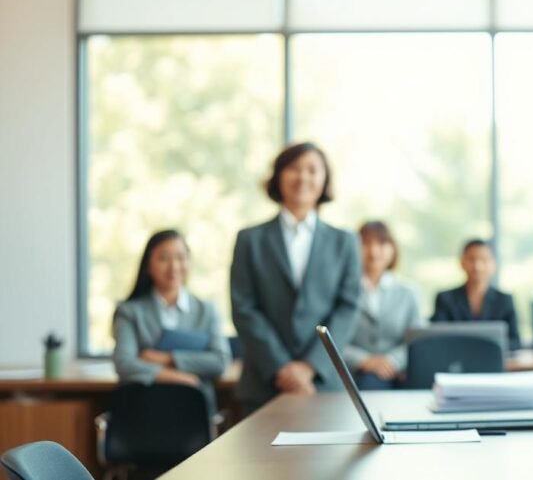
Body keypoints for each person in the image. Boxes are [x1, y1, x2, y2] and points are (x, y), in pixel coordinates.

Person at [230, 142, 362, 411]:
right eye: (294, 168)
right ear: (278, 177)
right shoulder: (250, 240)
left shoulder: (344, 242)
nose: (303, 177)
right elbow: (244, 308)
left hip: (324, 383)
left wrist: (309, 366)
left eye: (312, 170)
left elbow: (348, 308)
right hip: (264, 383)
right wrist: (282, 368)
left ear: (324, 180)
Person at [112, 229, 231, 411]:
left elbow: (220, 361)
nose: (174, 266)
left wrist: (167, 358)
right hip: (143, 410)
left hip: (194, 413)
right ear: (148, 265)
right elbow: (124, 364)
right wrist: (180, 377)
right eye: (164, 258)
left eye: (181, 258)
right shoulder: (129, 312)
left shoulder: (206, 311)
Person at [343, 220, 425, 390]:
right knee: (370, 382)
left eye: (381, 243)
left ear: (393, 249)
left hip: (401, 372)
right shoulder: (343, 290)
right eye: (365, 244)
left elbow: (418, 338)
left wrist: (392, 361)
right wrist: (365, 361)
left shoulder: (408, 292)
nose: (373, 251)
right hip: (353, 373)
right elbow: (333, 339)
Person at [432, 239, 521, 350]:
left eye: (483, 260)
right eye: (471, 259)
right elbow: (437, 339)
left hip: (492, 361)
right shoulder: (445, 299)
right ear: (461, 262)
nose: (477, 266)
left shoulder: (505, 300)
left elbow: (515, 342)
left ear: (493, 264)